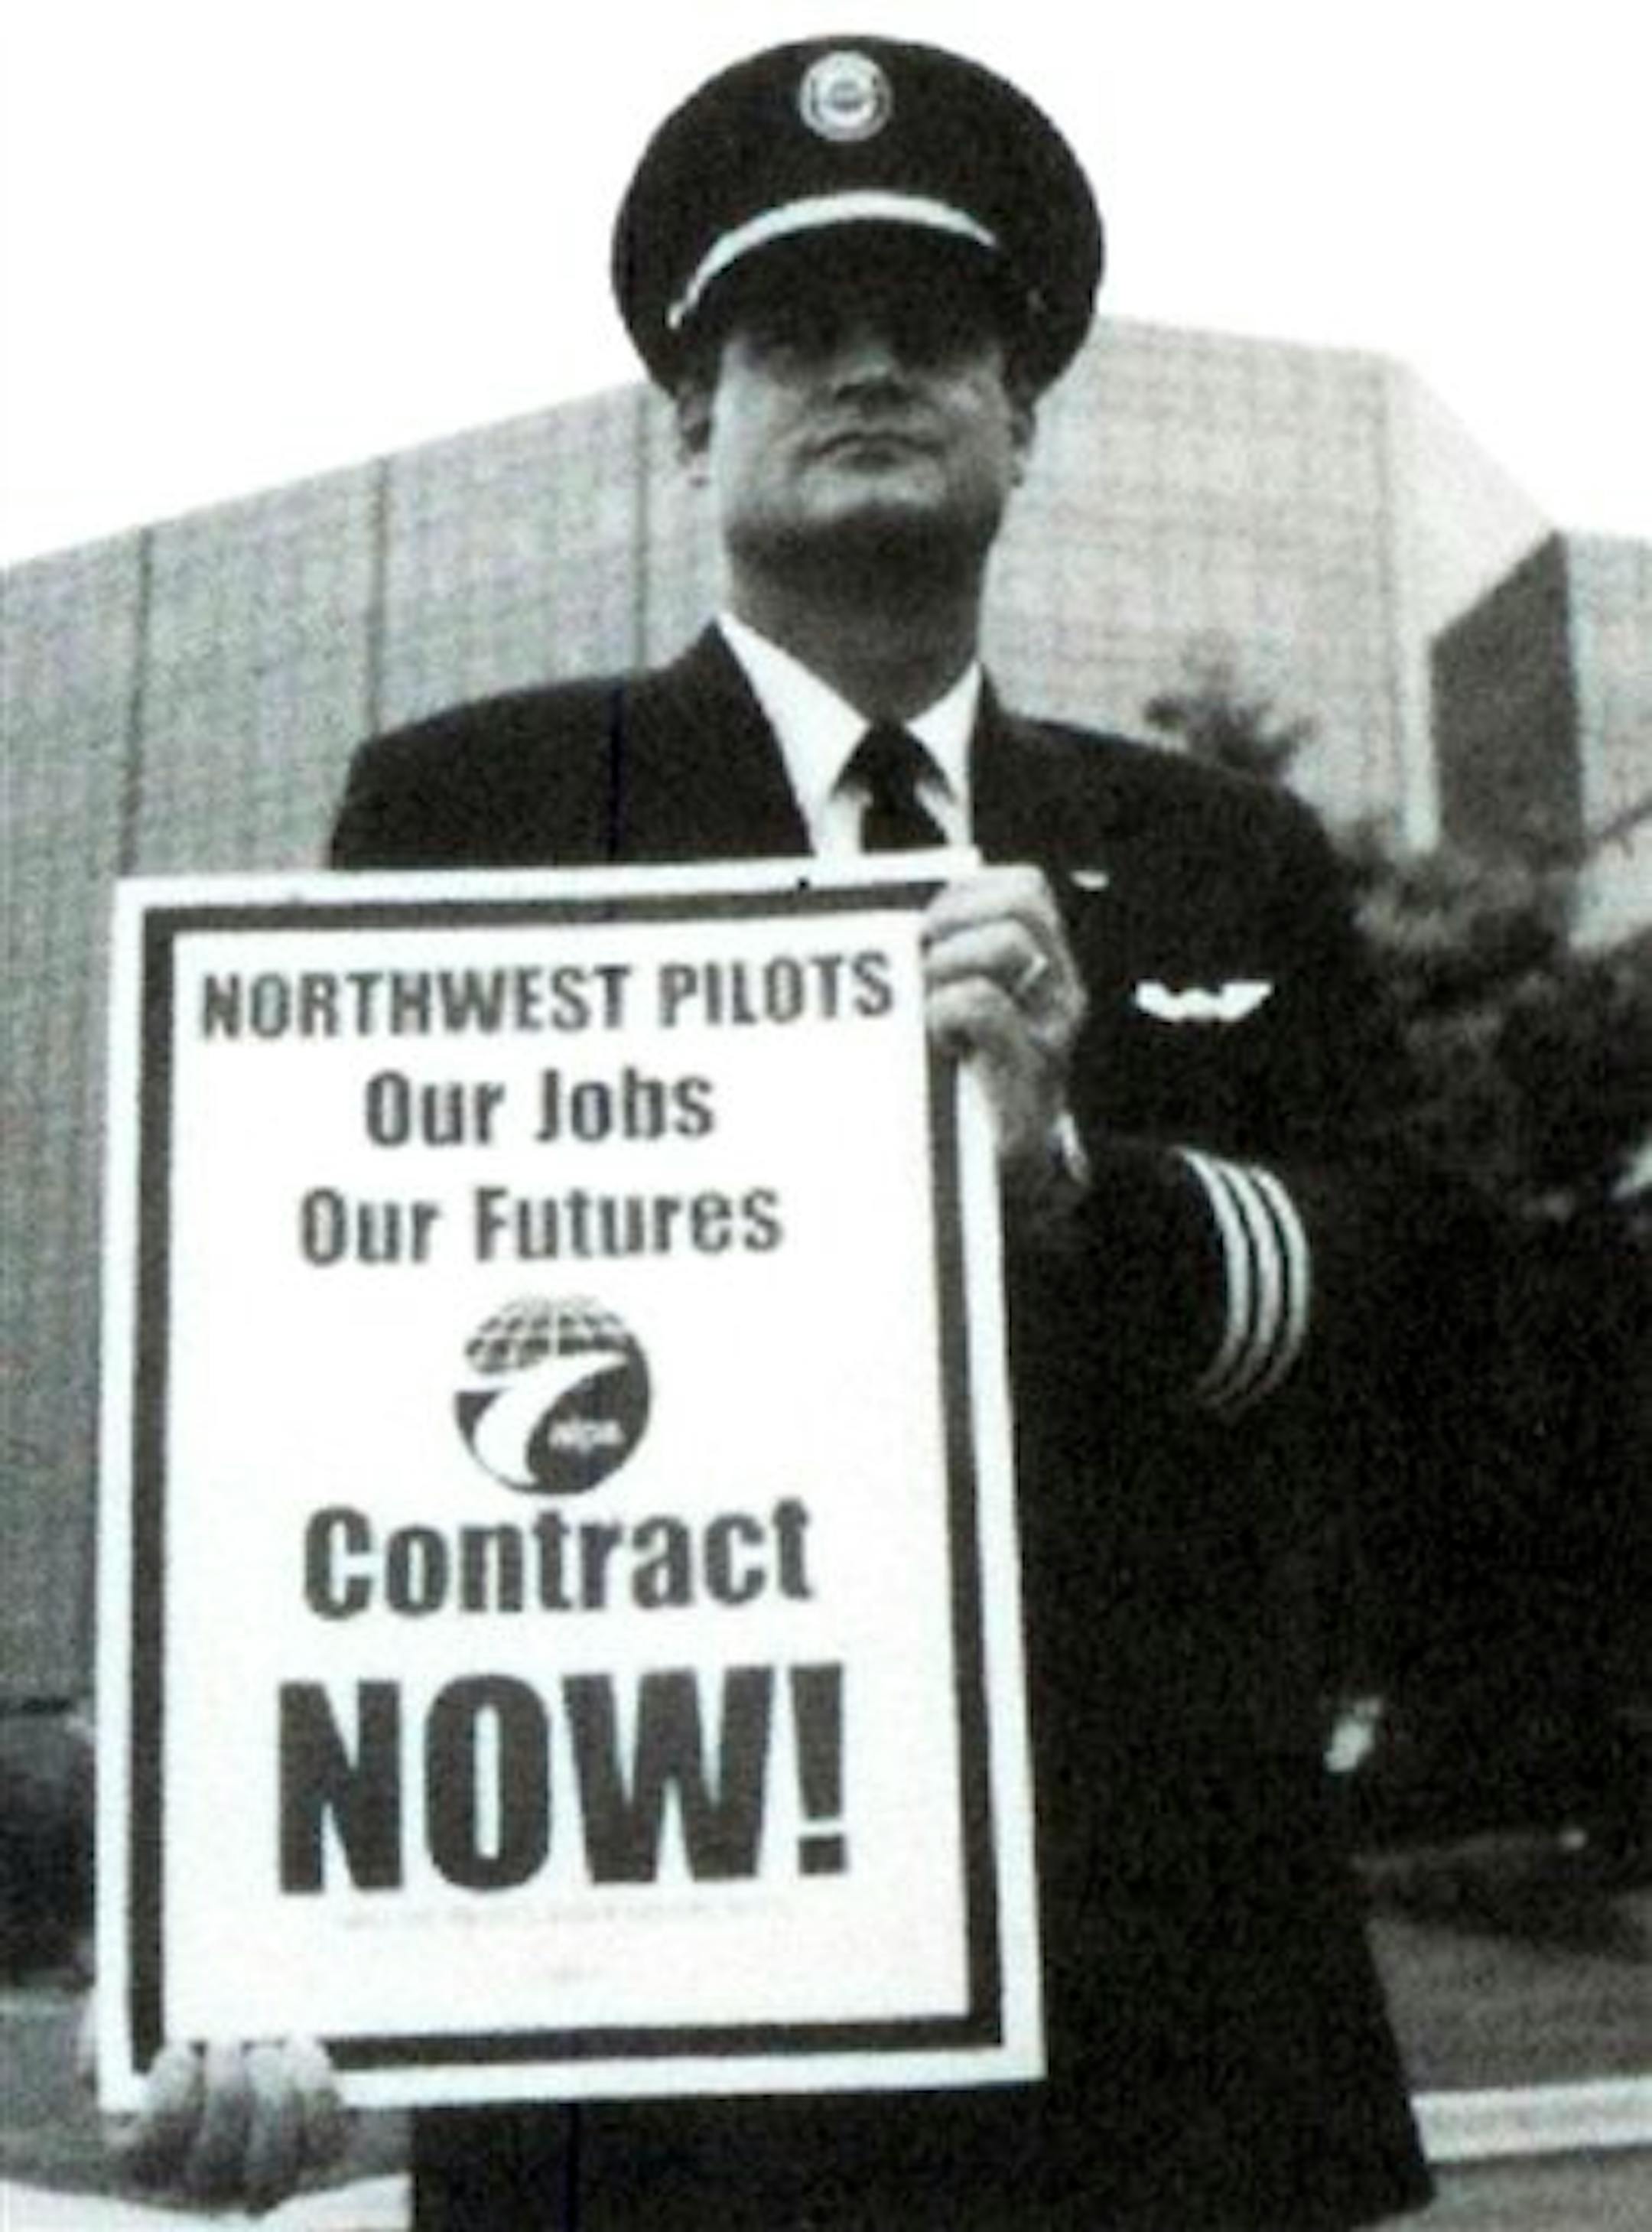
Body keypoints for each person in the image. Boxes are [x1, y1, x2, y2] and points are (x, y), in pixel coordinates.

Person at [115, 34, 1461, 2229]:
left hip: (1178, 2055)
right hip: (658, 2097)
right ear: (692, 421)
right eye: (792, 332)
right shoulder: (475, 809)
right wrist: (256, 1947)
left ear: (1022, 418)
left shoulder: (1220, 853)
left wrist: (1075, 1194)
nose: (870, 368)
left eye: (933, 330)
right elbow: (322, 1385)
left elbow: (1416, 1324)